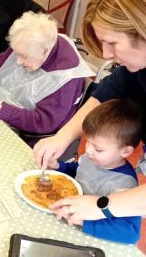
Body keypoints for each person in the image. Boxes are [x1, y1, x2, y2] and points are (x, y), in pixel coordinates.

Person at [32, 0, 146, 227]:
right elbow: (102, 96)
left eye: (112, 43)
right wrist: (61, 137)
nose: (106, 54)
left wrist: (101, 205)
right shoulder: (135, 68)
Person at [0, 12, 93, 147]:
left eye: (24, 56)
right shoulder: (28, 43)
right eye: (16, 53)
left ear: (45, 51)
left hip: (29, 139)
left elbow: (43, 122)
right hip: (2, 115)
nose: (18, 61)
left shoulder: (65, 78)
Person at [48, 99, 141, 244]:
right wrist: (59, 167)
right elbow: (78, 172)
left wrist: (85, 222)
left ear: (125, 151)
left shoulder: (125, 184)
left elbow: (130, 233)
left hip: (90, 237)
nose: (88, 151)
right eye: (87, 142)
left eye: (98, 148)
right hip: (65, 217)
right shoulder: (92, 157)